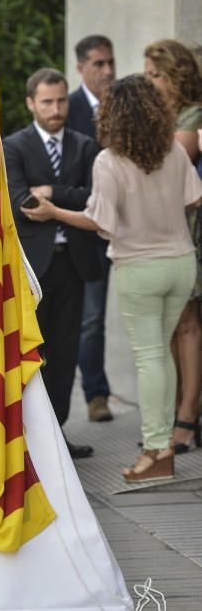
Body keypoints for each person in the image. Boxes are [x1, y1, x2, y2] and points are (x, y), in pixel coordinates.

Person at [39, 75, 202, 482]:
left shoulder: (109, 161)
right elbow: (194, 198)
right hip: (181, 263)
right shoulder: (174, 152)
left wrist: (54, 212)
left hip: (139, 268)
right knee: (160, 356)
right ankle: (163, 443)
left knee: (150, 358)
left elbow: (99, 220)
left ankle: (155, 451)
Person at [3, 67, 101, 459]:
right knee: (30, 354)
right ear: (31, 103)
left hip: (74, 264)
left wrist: (53, 195)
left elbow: (96, 198)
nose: (56, 108)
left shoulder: (84, 145)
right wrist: (58, 200)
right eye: (47, 101)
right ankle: (27, 439)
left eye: (61, 100)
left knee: (65, 353)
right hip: (32, 269)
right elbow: (18, 202)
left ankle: (57, 435)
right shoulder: (14, 146)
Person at [144, 39, 202, 454]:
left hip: (186, 231)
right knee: (168, 325)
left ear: (173, 76)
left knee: (186, 324)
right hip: (159, 231)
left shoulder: (191, 116)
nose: (149, 82)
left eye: (154, 75)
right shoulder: (161, 115)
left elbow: (168, 166)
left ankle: (187, 417)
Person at [67, 35, 116, 423]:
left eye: (110, 62)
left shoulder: (125, 103)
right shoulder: (67, 108)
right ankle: (95, 394)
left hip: (129, 227)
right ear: (81, 67)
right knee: (90, 317)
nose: (108, 71)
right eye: (98, 64)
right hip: (87, 228)